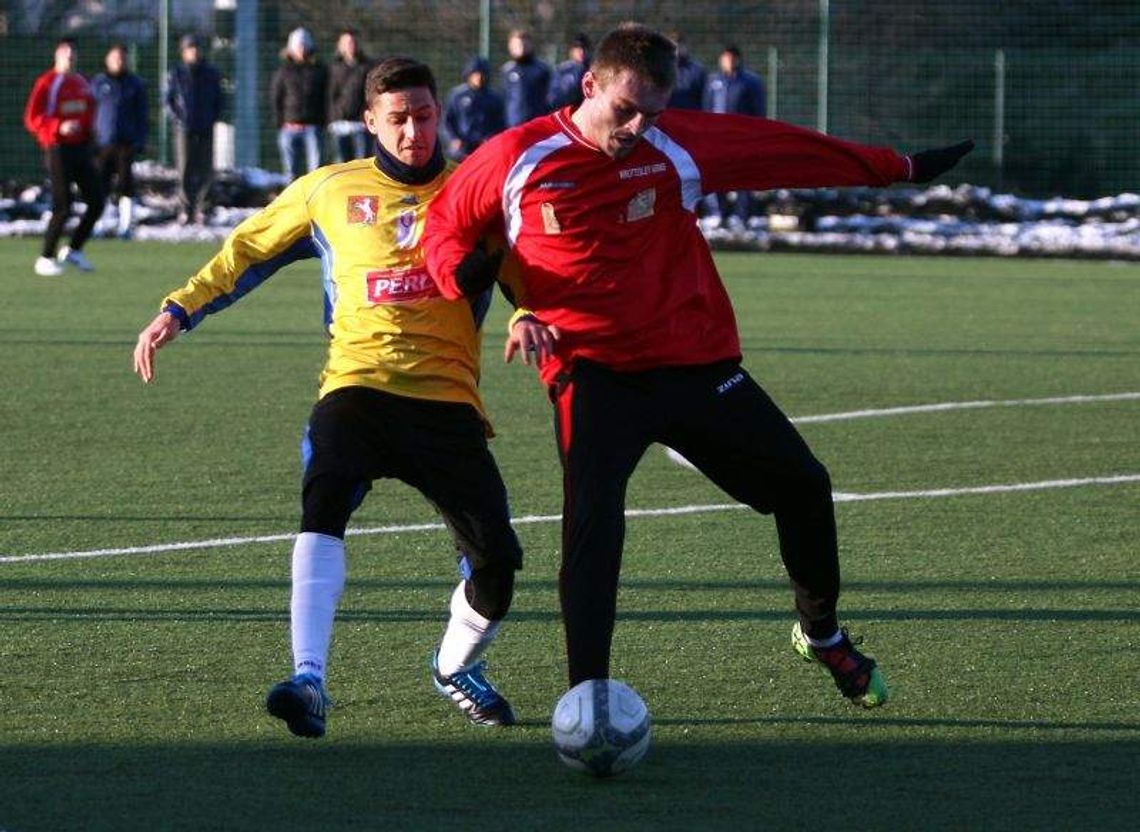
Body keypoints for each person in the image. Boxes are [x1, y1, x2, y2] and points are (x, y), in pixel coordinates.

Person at [425, 24, 973, 709]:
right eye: (624, 109)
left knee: (804, 485)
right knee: (592, 529)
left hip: (693, 360)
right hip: (591, 370)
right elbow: (444, 226)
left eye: (651, 113)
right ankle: (588, 697)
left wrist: (900, 167)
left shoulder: (674, 143)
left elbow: (786, 151)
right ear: (588, 85)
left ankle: (822, 634)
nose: (636, 127)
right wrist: (469, 280)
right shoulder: (517, 154)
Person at [133, 57, 521, 739]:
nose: (413, 131)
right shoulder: (329, 190)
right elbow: (248, 249)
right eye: (397, 119)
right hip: (357, 385)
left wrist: (529, 313)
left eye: (424, 116)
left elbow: (531, 273)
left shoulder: (475, 192)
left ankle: (456, 665)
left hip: (447, 403)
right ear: (370, 120)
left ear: (440, 114)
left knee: (497, 569)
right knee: (325, 499)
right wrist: (180, 308)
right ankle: (309, 678)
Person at [23, 37, 104, 276]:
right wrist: (58, 126)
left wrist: (92, 132)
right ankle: (45, 257)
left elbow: (89, 112)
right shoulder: (48, 83)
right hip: (57, 148)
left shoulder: (81, 83)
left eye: (73, 56)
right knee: (63, 205)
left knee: (97, 201)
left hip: (81, 149)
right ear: (57, 57)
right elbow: (32, 118)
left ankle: (73, 250)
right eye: (66, 56)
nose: (70, 60)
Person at [702, 45, 767, 230]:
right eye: (726, 58)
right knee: (716, 176)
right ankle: (719, 214)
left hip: (740, 138)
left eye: (732, 58)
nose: (729, 61)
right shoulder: (713, 81)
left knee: (743, 177)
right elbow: (706, 108)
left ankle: (742, 217)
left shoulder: (750, 82)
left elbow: (758, 111)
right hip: (717, 138)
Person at [165, 33, 223, 225]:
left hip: (205, 126)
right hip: (184, 127)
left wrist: (212, 118)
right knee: (184, 169)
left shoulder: (211, 74)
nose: (194, 52)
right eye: (190, 48)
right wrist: (178, 119)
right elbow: (168, 101)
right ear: (183, 52)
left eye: (196, 47)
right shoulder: (176, 74)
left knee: (206, 169)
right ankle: (185, 209)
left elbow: (219, 99)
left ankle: (203, 208)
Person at [91, 43, 148, 239]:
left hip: (126, 144)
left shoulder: (135, 84)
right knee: (100, 185)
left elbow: (142, 115)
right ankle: (98, 224)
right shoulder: (98, 83)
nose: (119, 61)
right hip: (103, 143)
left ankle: (125, 227)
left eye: (122, 58)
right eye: (115, 58)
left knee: (126, 185)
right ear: (107, 60)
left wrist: (139, 140)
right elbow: (91, 112)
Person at [272, 27, 328, 179]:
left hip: (313, 127)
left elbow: (326, 97)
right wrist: (281, 123)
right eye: (298, 46)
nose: (301, 49)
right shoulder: (283, 72)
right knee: (290, 172)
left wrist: (322, 122)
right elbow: (276, 98)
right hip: (289, 128)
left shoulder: (320, 71)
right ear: (291, 48)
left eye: (304, 45)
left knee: (316, 172)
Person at [441, 56, 506, 161]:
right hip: (461, 147)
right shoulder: (457, 95)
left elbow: (500, 124)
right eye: (475, 74)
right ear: (469, 74)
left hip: (485, 146)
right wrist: (453, 139)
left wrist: (490, 140)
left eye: (482, 74)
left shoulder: (494, 98)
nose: (479, 77)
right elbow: (447, 121)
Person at [326, 28, 372, 162]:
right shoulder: (334, 68)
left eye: (352, 42)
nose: (350, 45)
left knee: (363, 164)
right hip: (339, 124)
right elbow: (330, 95)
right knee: (341, 164)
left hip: (361, 124)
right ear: (340, 46)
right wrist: (332, 118)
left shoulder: (367, 67)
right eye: (346, 42)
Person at [501, 29, 551, 127]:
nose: (521, 48)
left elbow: (550, 98)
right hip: (513, 126)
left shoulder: (542, 69)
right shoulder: (507, 70)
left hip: (536, 125)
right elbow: (504, 98)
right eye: (517, 45)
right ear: (510, 47)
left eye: (524, 44)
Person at [547, 33, 590, 111]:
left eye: (584, 48)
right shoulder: (562, 70)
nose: (582, 52)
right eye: (578, 48)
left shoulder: (593, 69)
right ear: (572, 51)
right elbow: (553, 97)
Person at [666, 32, 705, 110]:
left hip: (691, 116)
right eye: (674, 47)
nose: (677, 50)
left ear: (685, 47)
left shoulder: (697, 70)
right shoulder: (663, 68)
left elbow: (704, 97)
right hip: (668, 116)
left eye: (680, 46)